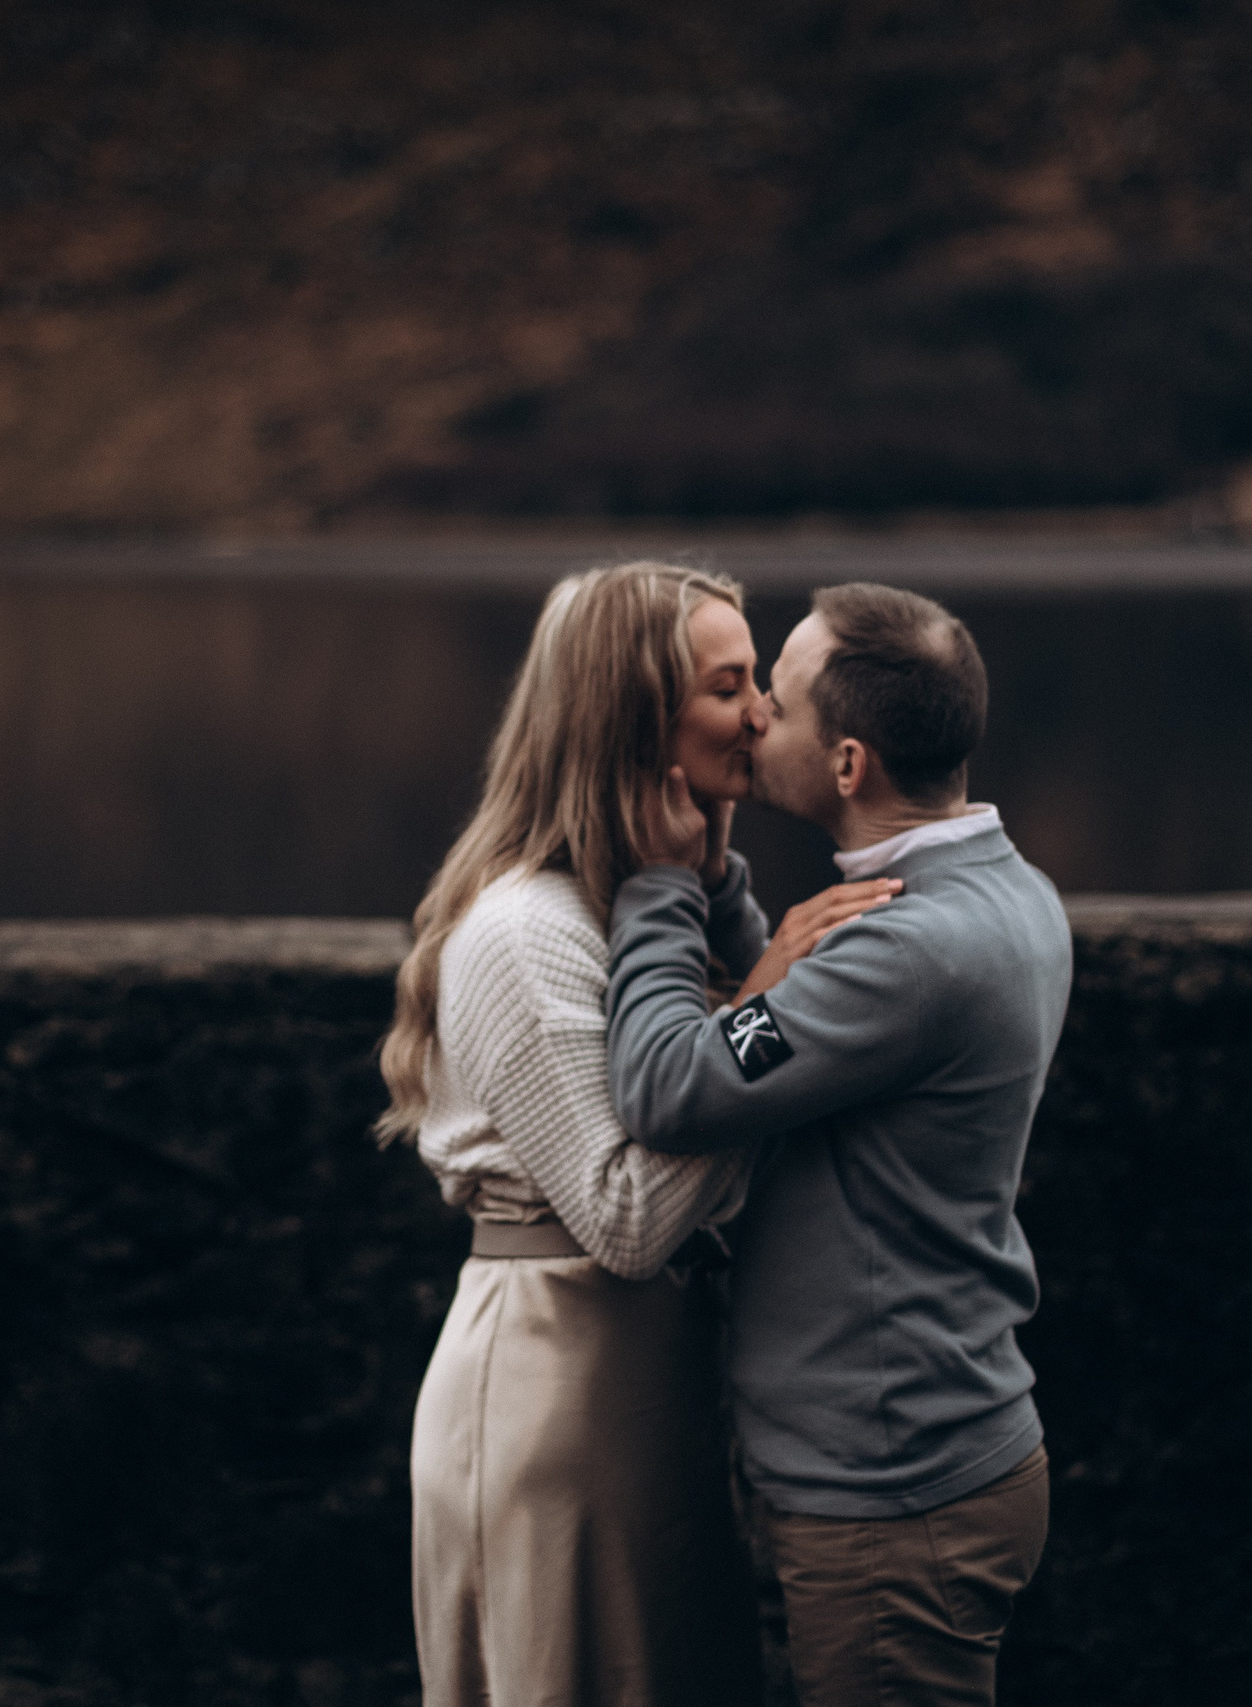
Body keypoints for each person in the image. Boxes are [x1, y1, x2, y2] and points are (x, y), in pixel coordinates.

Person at [377, 560, 894, 1707]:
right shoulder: (524, 930)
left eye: (759, 680)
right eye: (728, 687)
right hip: (554, 1390)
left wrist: (719, 914)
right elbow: (628, 1218)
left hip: (643, 1387)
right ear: (632, 717)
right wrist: (766, 1006)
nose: (764, 713)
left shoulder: (638, 901)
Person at [606, 582, 1074, 1707]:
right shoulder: (1001, 892)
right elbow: (808, 1032)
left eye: (780, 696)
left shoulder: (911, 952)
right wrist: (726, 893)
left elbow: (671, 1085)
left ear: (851, 763)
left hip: (889, 1491)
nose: (755, 714)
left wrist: (662, 889)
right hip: (937, 1445)